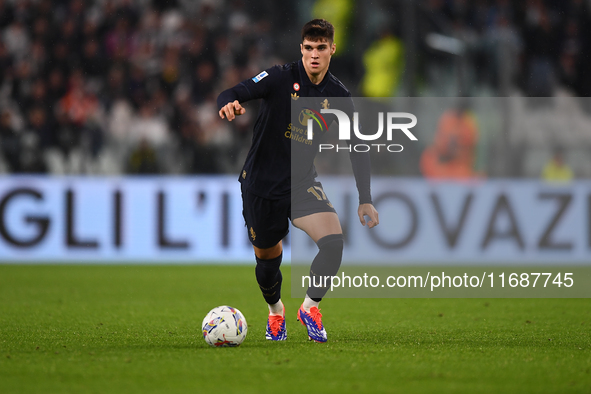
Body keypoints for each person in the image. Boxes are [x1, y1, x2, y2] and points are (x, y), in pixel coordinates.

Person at [217, 19, 379, 343]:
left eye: (321, 48)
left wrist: (366, 197)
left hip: (301, 182)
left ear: (332, 48)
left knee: (333, 243)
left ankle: (309, 307)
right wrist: (228, 102)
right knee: (267, 260)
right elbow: (234, 90)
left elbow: (357, 149)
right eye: (308, 48)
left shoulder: (339, 96)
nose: (314, 55)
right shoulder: (279, 78)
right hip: (261, 185)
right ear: (301, 49)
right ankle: (276, 312)